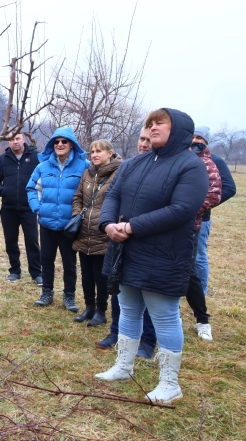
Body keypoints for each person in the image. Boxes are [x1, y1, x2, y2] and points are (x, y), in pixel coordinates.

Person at [95, 108, 208, 404]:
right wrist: (108, 224)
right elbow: (113, 196)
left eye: (160, 123)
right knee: (129, 309)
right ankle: (123, 366)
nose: (152, 127)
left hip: (164, 254)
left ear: (179, 129)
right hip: (126, 251)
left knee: (165, 317)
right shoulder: (134, 163)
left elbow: (182, 209)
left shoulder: (190, 166)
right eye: (149, 124)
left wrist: (132, 226)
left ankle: (170, 385)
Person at [95, 127, 157, 358]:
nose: (144, 144)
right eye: (142, 138)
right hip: (120, 239)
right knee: (117, 288)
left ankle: (148, 342)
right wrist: (108, 224)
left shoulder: (171, 169)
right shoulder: (128, 166)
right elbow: (112, 196)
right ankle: (116, 332)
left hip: (151, 240)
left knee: (149, 292)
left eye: (150, 140)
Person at [26, 127, 88, 311]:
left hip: (70, 225)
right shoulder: (42, 166)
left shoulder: (84, 166)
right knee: (46, 259)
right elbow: (31, 189)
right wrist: (38, 208)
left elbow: (91, 192)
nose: (60, 144)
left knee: (69, 262)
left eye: (64, 141)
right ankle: (46, 293)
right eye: (56, 142)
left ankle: (69, 297)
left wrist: (81, 215)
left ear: (72, 144)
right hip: (47, 223)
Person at [71, 139, 122, 326]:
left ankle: (101, 311)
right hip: (84, 233)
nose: (95, 155)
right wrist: (78, 215)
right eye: (92, 151)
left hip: (104, 233)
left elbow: (119, 200)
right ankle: (89, 307)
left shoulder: (118, 174)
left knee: (101, 276)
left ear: (110, 153)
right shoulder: (87, 173)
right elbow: (77, 197)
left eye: (99, 151)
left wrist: (107, 221)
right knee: (86, 274)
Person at [0, 132, 42, 284]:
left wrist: (37, 197)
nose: (15, 142)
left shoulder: (36, 157)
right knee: (10, 241)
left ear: (23, 139)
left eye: (17, 138)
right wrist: (4, 191)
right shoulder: (3, 159)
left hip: (29, 208)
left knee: (32, 241)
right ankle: (15, 271)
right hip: (8, 208)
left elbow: (44, 178)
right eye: (11, 140)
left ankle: (36, 273)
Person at [190, 126, 237, 296]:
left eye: (199, 138)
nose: (195, 141)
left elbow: (229, 188)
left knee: (199, 256)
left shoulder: (216, 160)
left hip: (201, 219)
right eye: (193, 137)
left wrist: (204, 205)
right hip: (182, 218)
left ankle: (201, 291)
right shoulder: (185, 157)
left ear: (206, 141)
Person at [184, 138, 221, 340]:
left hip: (189, 226)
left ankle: (202, 320)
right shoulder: (171, 157)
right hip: (163, 227)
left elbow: (214, 194)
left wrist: (184, 212)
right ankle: (171, 316)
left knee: (189, 272)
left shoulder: (205, 161)